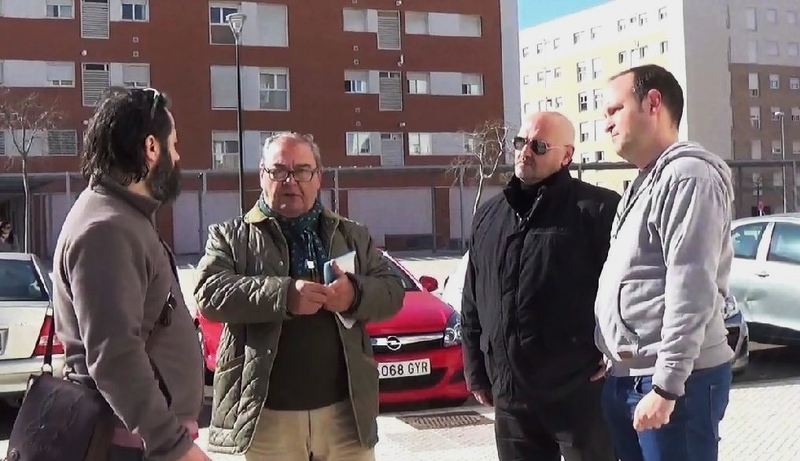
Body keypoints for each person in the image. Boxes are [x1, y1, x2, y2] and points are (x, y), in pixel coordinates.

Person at [193, 132, 405, 461]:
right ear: (262, 175)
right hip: (268, 419)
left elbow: (392, 289)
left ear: (318, 176)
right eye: (279, 171)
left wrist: (355, 294)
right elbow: (209, 292)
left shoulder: (350, 234)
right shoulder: (232, 236)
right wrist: (284, 295)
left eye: (302, 170)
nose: (291, 181)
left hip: (346, 418)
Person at [51, 88, 210, 461]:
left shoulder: (121, 216)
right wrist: (172, 446)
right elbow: (115, 354)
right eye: (174, 145)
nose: (178, 156)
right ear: (151, 148)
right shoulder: (106, 228)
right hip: (129, 447)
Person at [461, 111, 621, 461]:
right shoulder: (490, 216)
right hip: (510, 395)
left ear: (566, 156)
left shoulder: (598, 210)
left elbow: (624, 289)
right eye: (521, 142)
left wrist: (612, 350)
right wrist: (476, 369)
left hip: (578, 392)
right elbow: (473, 296)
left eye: (539, 145)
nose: (525, 151)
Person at [595, 64, 735, 461]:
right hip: (631, 377)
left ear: (652, 102)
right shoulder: (644, 183)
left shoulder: (689, 176)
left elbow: (691, 285)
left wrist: (667, 386)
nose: (606, 124)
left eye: (613, 110)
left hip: (674, 384)